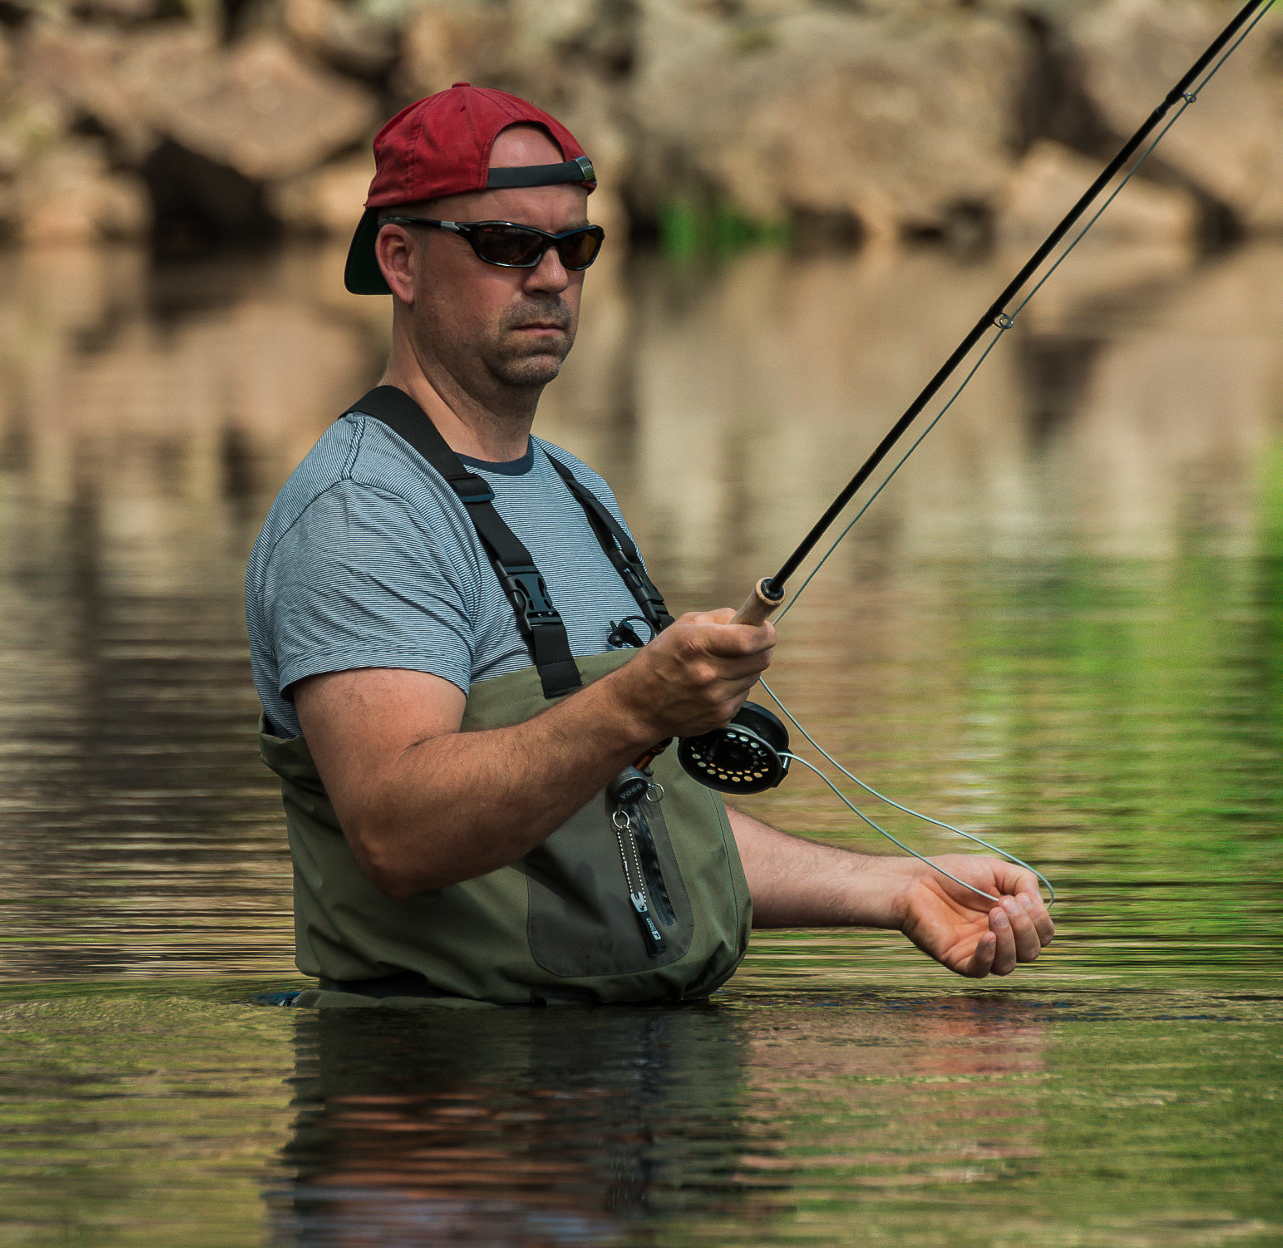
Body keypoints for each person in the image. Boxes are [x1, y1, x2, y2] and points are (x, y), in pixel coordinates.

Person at [246, 83, 1052, 1007]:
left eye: (574, 245)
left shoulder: (578, 492)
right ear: (401, 259)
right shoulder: (364, 510)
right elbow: (398, 832)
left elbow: (634, 820)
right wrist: (636, 705)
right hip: (443, 1099)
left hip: (620, 1104)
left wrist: (898, 886)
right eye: (508, 244)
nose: (550, 276)